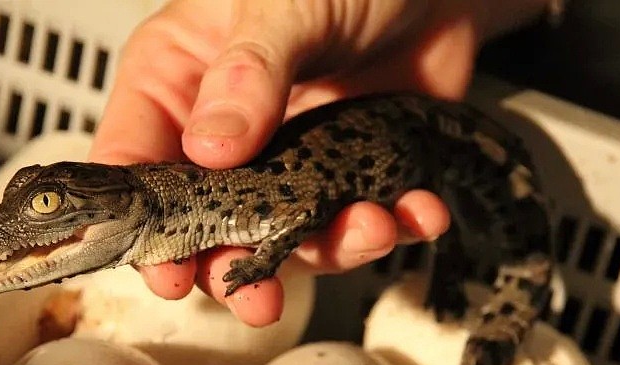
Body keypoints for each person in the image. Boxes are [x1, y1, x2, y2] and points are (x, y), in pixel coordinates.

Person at [90, 0, 560, 327]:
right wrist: (448, 12)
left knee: (448, 207)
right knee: (430, 213)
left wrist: (265, 260)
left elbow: (299, 213)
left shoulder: (229, 204)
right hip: (410, 108)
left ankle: (460, 275)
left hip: (428, 136)